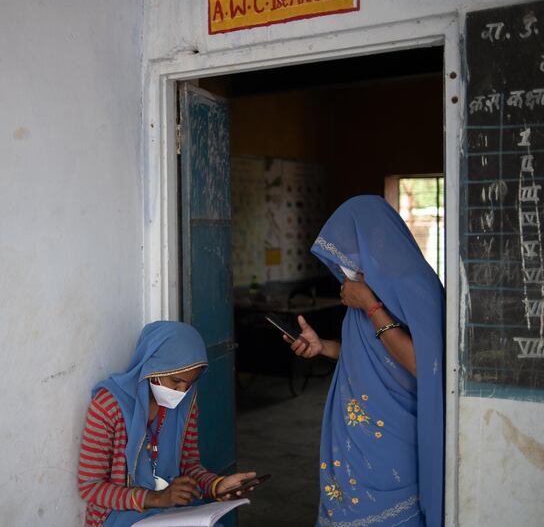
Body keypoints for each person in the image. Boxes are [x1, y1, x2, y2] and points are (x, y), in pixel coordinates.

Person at [285, 196, 444, 527]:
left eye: (347, 252)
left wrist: (371, 305)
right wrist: (323, 347)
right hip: (352, 440)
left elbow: (422, 363)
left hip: (394, 438)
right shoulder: (364, 291)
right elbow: (372, 354)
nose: (344, 266)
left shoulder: (416, 286)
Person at [77, 321, 256, 526]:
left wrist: (217, 485)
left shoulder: (186, 404)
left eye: (189, 384)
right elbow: (90, 486)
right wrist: (156, 498)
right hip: (120, 514)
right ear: (152, 366)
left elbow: (189, 467)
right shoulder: (108, 406)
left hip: (171, 510)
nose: (181, 392)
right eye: (175, 381)